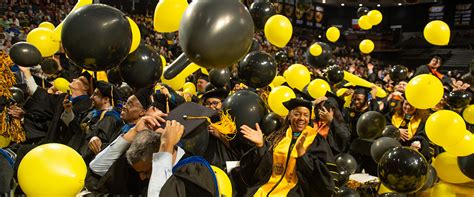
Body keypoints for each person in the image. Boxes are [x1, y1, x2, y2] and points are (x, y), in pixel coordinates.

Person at [239, 98, 336, 196]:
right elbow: (262, 168)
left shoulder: (316, 140)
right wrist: (260, 146)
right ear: (289, 116)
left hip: (297, 190)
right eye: (297, 114)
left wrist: (303, 156)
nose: (301, 118)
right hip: (267, 186)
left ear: (309, 118)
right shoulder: (278, 136)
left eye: (306, 115)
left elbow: (322, 176)